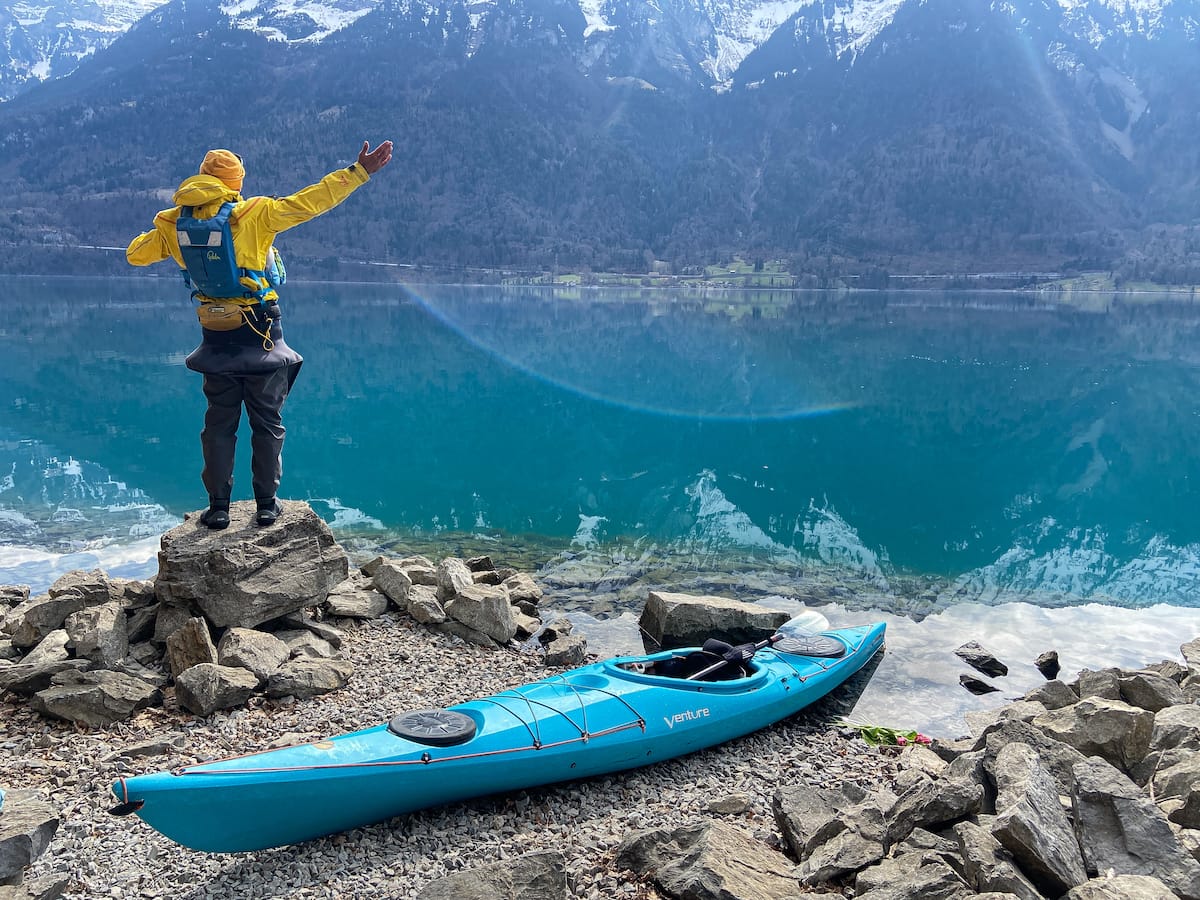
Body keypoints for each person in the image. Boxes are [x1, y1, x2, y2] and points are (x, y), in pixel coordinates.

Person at [127, 140, 393, 529]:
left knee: (219, 422)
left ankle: (218, 508)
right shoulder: (255, 213)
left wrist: (169, 235)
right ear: (235, 183)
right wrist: (358, 172)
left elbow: (136, 254)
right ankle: (267, 505)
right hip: (259, 329)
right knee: (266, 420)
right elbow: (311, 201)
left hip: (214, 335)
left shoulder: (173, 222)